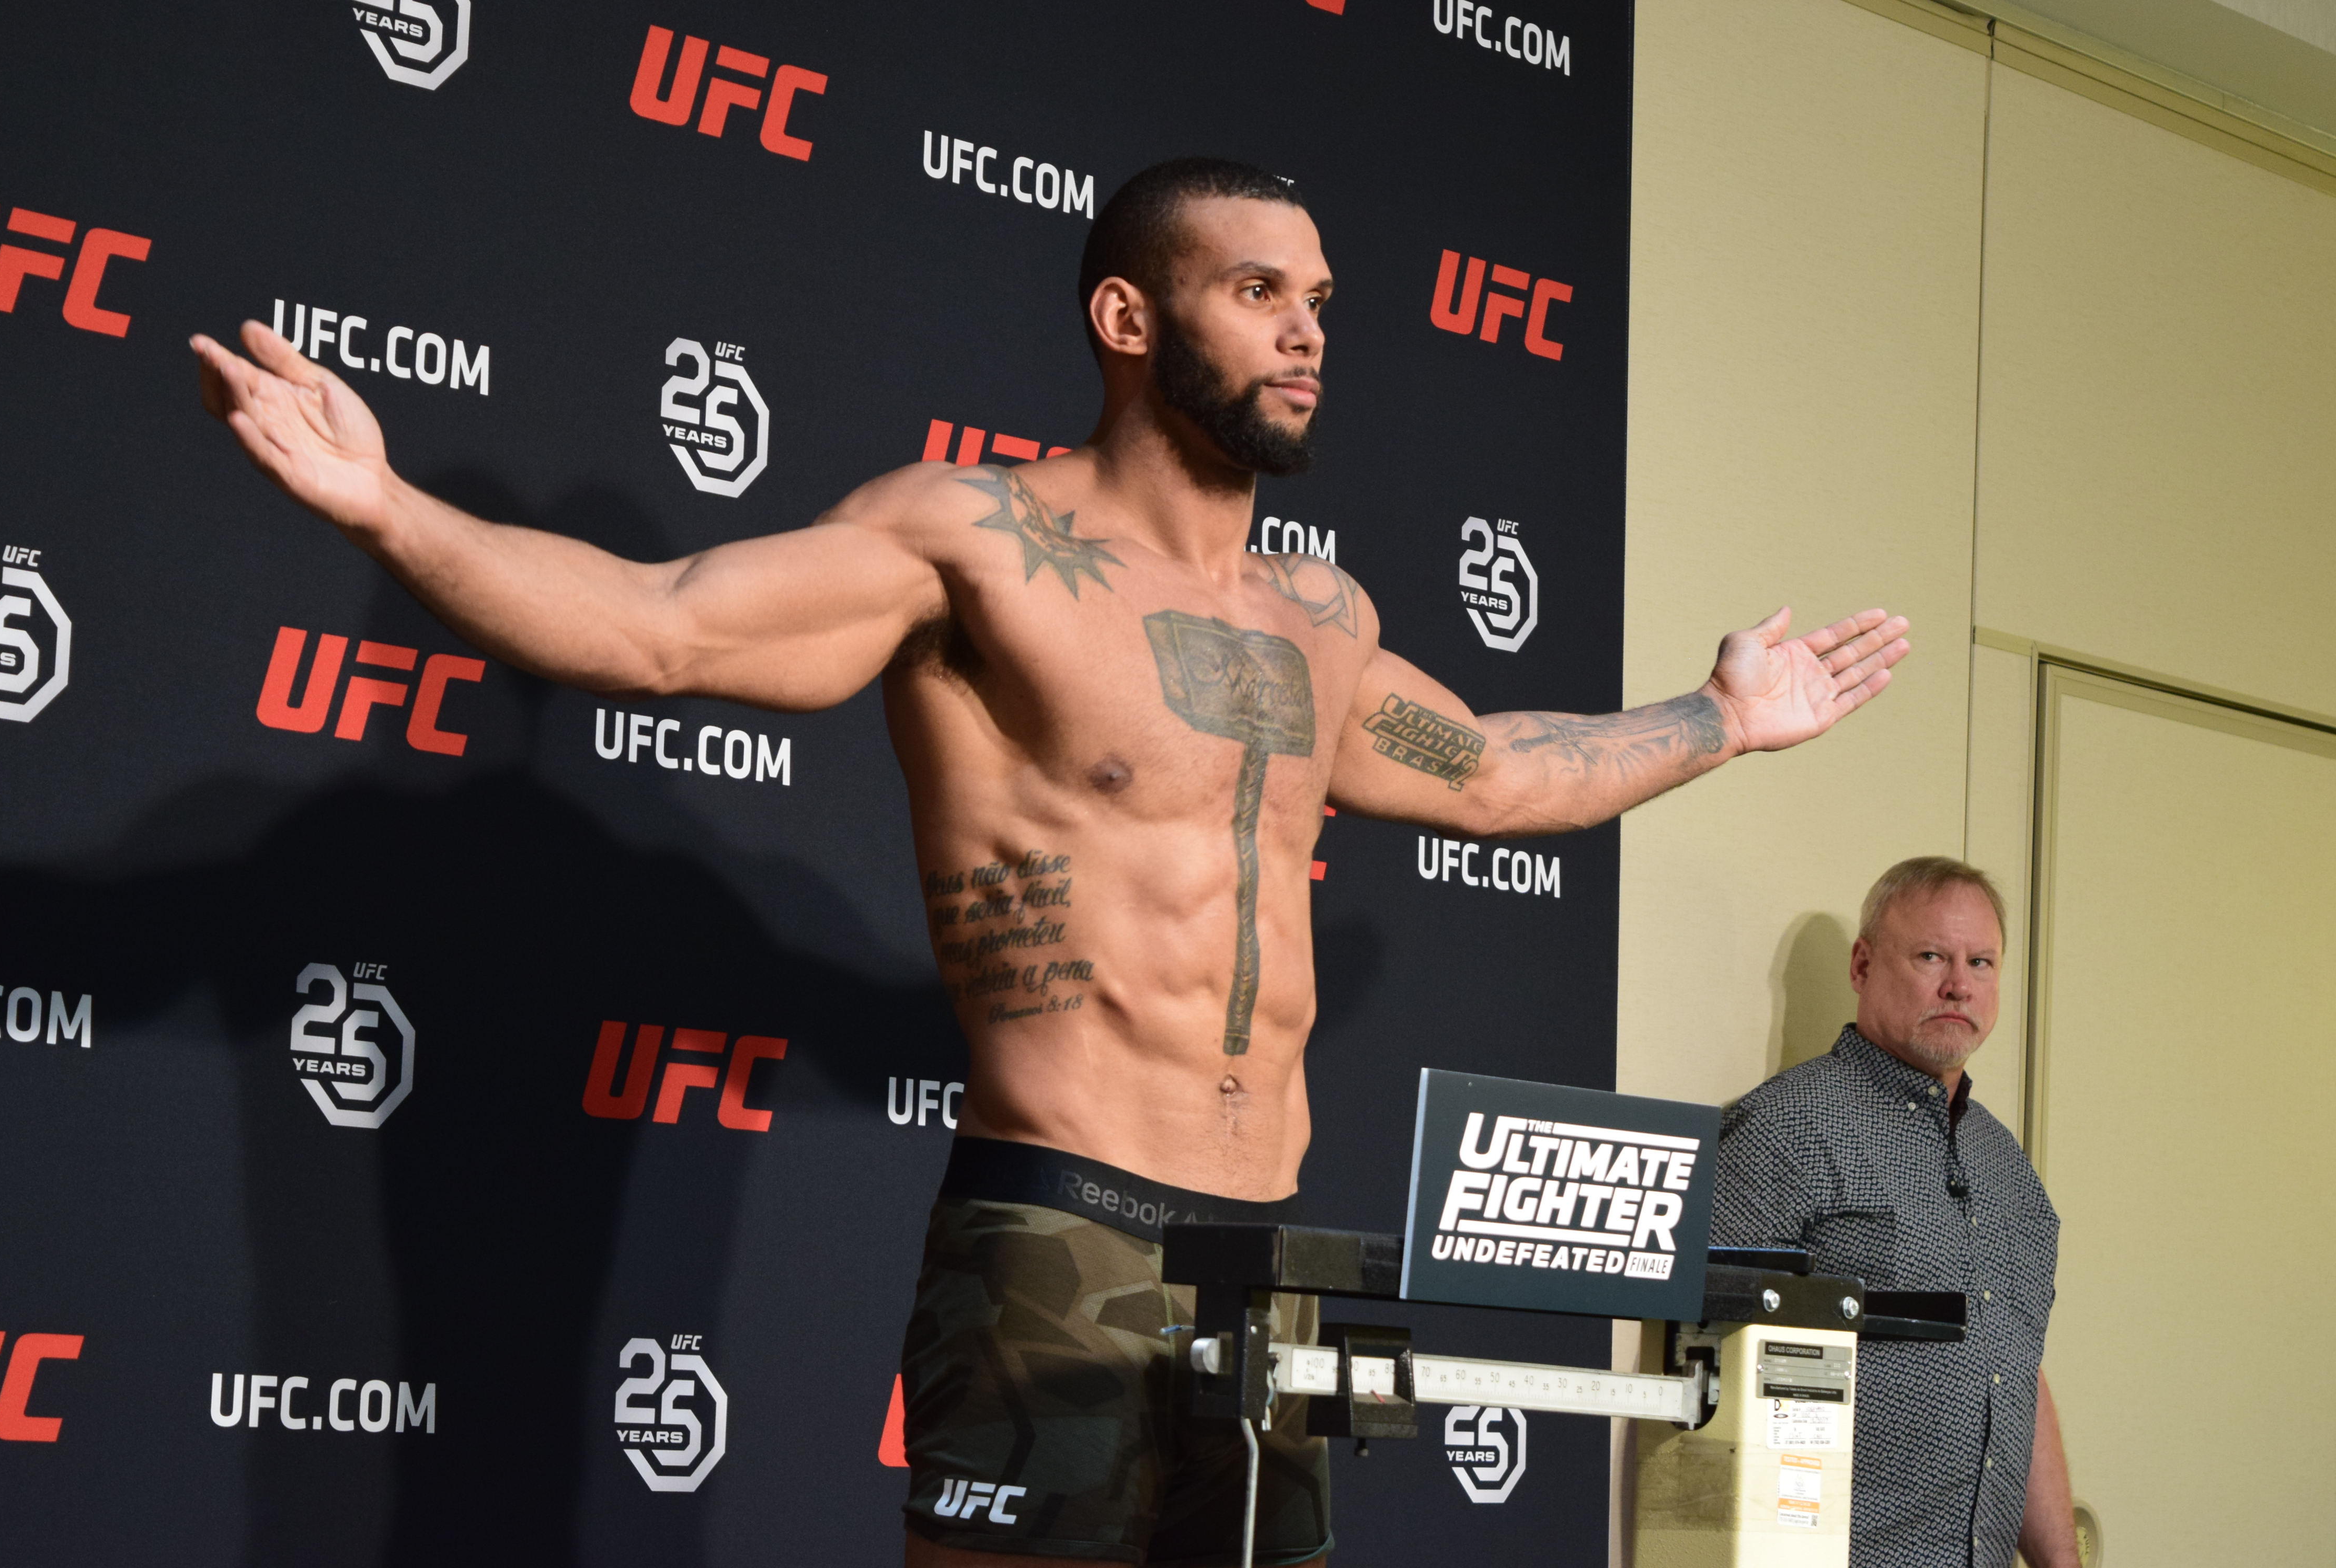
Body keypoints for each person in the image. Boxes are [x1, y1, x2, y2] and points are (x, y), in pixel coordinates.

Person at [193, 157, 1910, 1567]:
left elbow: (1497, 774)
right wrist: (390, 507)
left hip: (1273, 1258)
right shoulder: (976, 543)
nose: (1307, 331)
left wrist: (1716, 718)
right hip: (1063, 1234)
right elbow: (664, 627)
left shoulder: (1319, 616)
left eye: (1320, 300)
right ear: (1128, 317)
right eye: (1259, 291)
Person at [1712, 858, 2076, 1568]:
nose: (1959, 985)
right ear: (1862, 965)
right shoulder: (1785, 1128)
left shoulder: (2010, 1172)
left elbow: (2016, 1376)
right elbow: (1705, 1371)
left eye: (1981, 962)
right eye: (1932, 956)